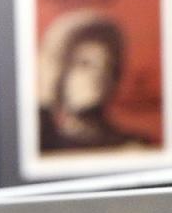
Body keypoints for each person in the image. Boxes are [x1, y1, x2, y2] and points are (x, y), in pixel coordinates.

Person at [37, 13, 150, 153]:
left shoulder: (133, 148)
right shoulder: (42, 141)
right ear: (59, 69)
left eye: (108, 66)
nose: (99, 75)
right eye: (84, 64)